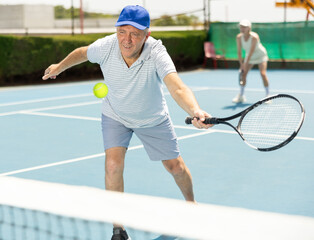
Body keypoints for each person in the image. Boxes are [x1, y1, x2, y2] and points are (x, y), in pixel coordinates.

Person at [42, 5, 212, 240]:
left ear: (147, 35)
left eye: (135, 33)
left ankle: (191, 203)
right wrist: (59, 67)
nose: (127, 40)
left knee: (175, 167)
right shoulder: (106, 46)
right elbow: (82, 52)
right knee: (112, 165)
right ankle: (118, 229)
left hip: (153, 119)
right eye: (122, 31)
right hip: (116, 116)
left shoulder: (156, 52)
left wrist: (195, 109)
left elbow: (176, 85)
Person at [233, 19, 270, 103]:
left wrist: (245, 64)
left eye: (244, 27)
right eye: (241, 27)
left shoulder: (254, 37)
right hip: (249, 57)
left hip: (260, 56)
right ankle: (241, 96)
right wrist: (241, 64)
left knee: (263, 74)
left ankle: (268, 96)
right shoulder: (239, 37)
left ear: (249, 28)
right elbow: (239, 52)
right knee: (243, 75)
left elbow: (251, 52)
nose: (242, 29)